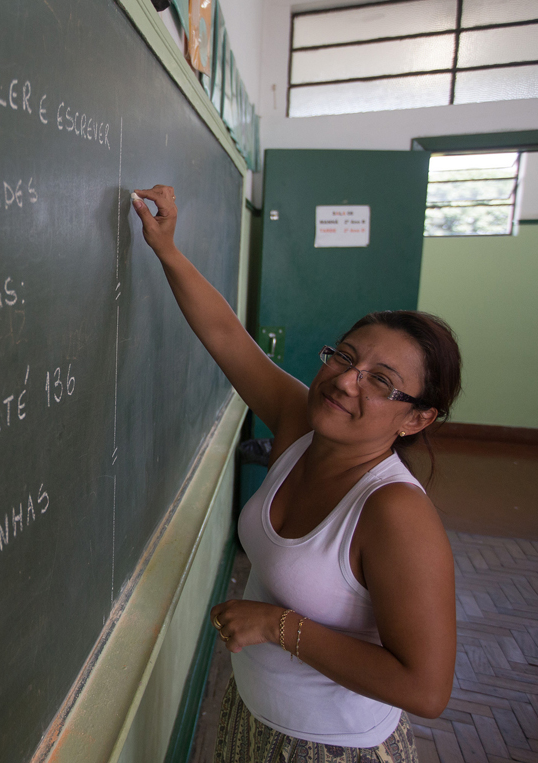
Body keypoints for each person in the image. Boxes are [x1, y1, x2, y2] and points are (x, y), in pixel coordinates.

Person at [132, 185, 461, 762]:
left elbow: (426, 689)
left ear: (418, 418)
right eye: (345, 356)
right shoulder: (300, 424)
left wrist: (277, 626)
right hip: (253, 717)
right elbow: (226, 336)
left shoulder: (394, 512)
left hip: (333, 749)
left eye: (381, 381)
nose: (346, 380)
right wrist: (167, 249)